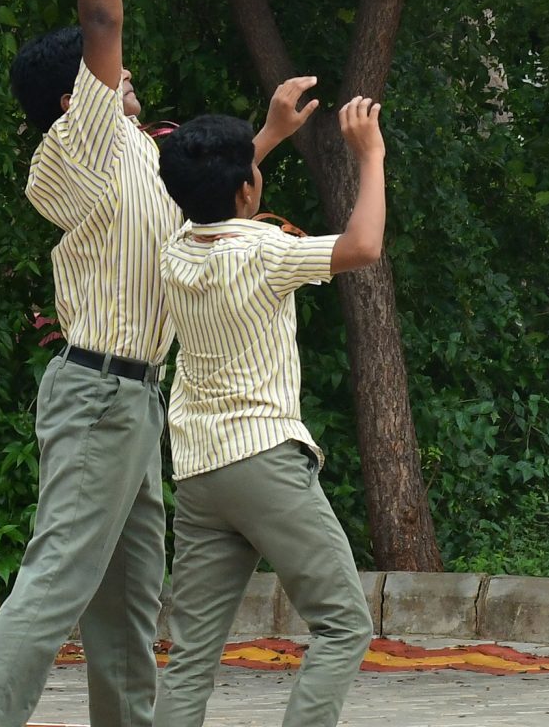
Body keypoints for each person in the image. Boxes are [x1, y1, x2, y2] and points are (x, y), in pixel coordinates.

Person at [0, 0, 176, 727]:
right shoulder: (77, 145)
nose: (126, 76)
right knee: (53, 585)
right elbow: (103, 15)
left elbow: (195, 230)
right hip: (98, 395)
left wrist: (270, 140)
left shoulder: (132, 152)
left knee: (128, 613)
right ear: (74, 91)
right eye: (104, 71)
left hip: (136, 397)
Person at [151, 92, 386, 727]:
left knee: (192, 655)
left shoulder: (173, 252)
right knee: (343, 624)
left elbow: (207, 194)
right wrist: (371, 155)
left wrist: (271, 133)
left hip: (199, 473)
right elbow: (363, 245)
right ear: (247, 191)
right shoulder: (263, 251)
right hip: (263, 462)